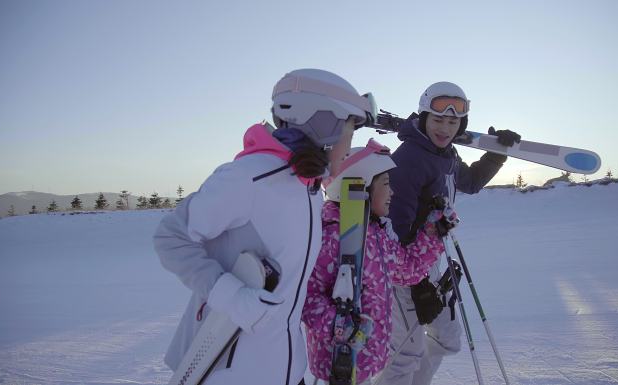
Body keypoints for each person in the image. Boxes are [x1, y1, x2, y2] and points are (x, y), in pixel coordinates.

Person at [153, 68, 377, 385]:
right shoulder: (250, 177)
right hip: (230, 372)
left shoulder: (309, 189)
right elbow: (171, 238)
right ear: (325, 126)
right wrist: (233, 297)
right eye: (349, 136)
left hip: (286, 367)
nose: (349, 149)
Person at [379, 82, 521, 385]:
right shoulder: (408, 160)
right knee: (405, 355)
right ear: (424, 118)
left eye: (453, 122)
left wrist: (495, 155)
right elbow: (394, 233)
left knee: (447, 339)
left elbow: (468, 182)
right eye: (438, 119)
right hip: (403, 273)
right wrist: (415, 284)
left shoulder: (445, 153)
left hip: (428, 267)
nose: (445, 128)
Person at [301, 139, 443, 385]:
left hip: (367, 359)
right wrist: (338, 326)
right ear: (361, 185)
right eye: (386, 184)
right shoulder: (330, 235)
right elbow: (306, 297)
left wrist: (432, 232)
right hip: (339, 362)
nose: (393, 193)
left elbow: (407, 271)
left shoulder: (376, 234)